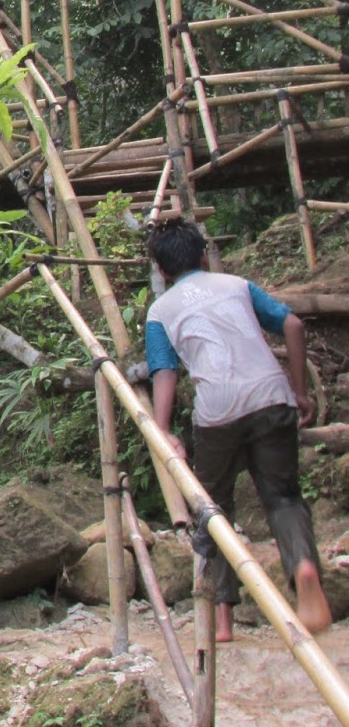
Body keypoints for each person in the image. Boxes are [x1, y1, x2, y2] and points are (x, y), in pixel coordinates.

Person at [145, 217, 332, 642]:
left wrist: (162, 430)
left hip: (216, 413)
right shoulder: (236, 285)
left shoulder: (160, 311)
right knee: (283, 497)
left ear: (161, 269)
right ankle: (302, 566)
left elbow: (164, 372)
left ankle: (222, 620)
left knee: (213, 512)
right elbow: (293, 325)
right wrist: (301, 393)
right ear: (203, 255)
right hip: (271, 398)